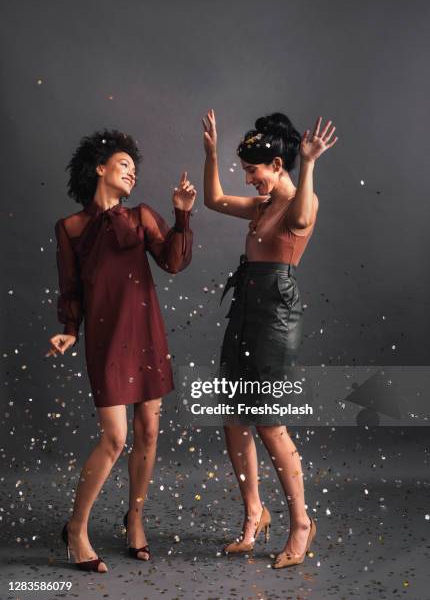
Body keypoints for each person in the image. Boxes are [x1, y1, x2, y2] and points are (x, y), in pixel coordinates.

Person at [46, 129, 196, 572]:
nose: (132, 172)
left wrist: (183, 217)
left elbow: (173, 261)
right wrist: (69, 330)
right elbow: (71, 287)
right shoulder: (70, 228)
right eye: (124, 164)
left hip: (146, 333)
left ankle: (135, 516)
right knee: (115, 437)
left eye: (135, 168)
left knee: (148, 431)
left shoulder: (141, 216)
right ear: (99, 168)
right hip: (106, 339)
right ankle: (77, 528)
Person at [202, 109, 337, 568]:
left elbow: (300, 217)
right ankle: (254, 515)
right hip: (245, 307)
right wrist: (209, 153)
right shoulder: (261, 206)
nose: (248, 179)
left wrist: (310, 162)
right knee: (234, 417)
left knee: (267, 420)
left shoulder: (302, 201)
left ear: (277, 165)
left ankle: (301, 522)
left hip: (277, 313)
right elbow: (213, 199)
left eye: (253, 170)